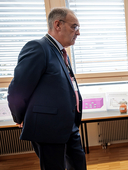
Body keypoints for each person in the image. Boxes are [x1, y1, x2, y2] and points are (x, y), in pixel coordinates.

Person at [7, 7, 86, 170]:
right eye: (74, 27)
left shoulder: (61, 52)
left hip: (69, 125)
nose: (78, 32)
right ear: (58, 25)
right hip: (48, 128)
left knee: (79, 164)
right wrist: (19, 117)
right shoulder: (38, 48)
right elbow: (18, 89)